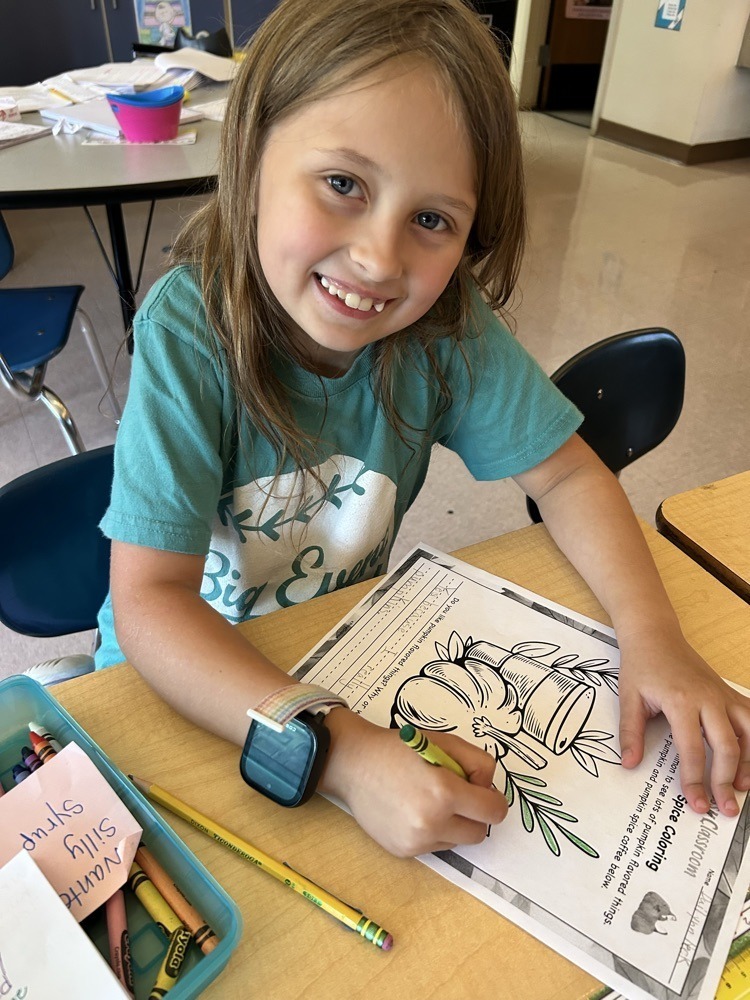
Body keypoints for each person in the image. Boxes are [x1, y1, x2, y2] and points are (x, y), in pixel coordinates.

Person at [97, 0, 750, 858]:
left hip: (337, 656)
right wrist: (337, 754)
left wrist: (654, 637)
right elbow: (150, 600)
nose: (379, 259)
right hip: (170, 691)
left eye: (433, 220)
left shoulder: (444, 327)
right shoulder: (189, 330)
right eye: (343, 185)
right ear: (252, 153)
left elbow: (567, 474)